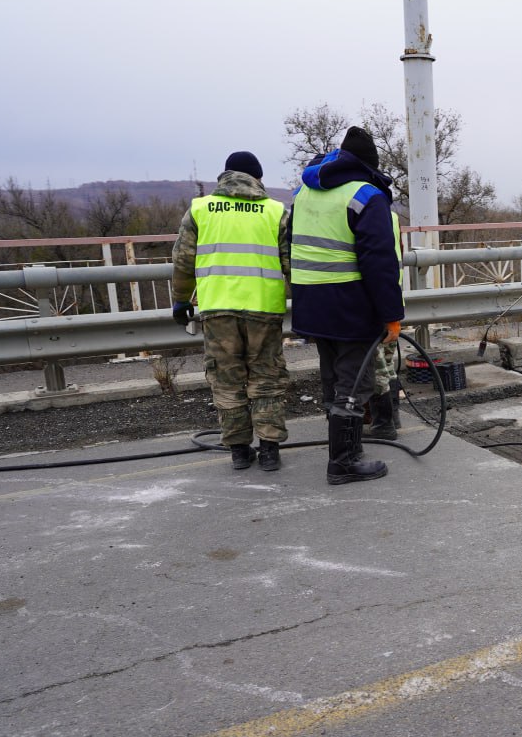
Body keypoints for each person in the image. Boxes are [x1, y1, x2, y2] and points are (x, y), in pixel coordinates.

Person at [289, 127, 404, 484]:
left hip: (311, 302)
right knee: (354, 382)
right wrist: (391, 316)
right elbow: (379, 261)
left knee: (333, 376)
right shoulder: (366, 195)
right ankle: (344, 460)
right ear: (371, 165)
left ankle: (344, 448)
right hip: (349, 304)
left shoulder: (304, 191)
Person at [171, 151, 291, 471]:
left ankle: (239, 449)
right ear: (258, 178)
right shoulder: (275, 211)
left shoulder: (201, 209)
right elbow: (291, 264)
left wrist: (181, 300)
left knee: (226, 378)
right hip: (264, 309)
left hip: (217, 310)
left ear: (225, 176)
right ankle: (269, 450)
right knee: (266, 377)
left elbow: (183, 262)